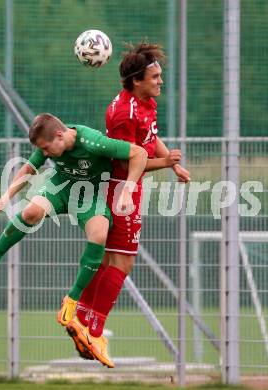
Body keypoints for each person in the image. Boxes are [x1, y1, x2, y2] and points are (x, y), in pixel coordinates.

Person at [0, 113, 148, 361]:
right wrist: (5, 197)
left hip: (91, 196)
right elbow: (28, 169)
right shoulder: (48, 147)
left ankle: (72, 298)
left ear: (60, 136)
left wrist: (128, 189)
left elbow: (140, 154)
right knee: (30, 212)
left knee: (99, 234)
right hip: (60, 187)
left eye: (47, 149)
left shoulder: (92, 141)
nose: (45, 154)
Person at [67, 42, 190, 368]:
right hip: (122, 187)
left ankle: (82, 316)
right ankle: (93, 329)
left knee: (110, 260)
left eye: (160, 75)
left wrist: (172, 163)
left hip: (126, 186)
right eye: (155, 76)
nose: (160, 81)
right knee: (122, 263)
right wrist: (164, 163)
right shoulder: (125, 113)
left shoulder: (145, 103)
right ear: (137, 80)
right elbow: (127, 161)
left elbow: (148, 139)